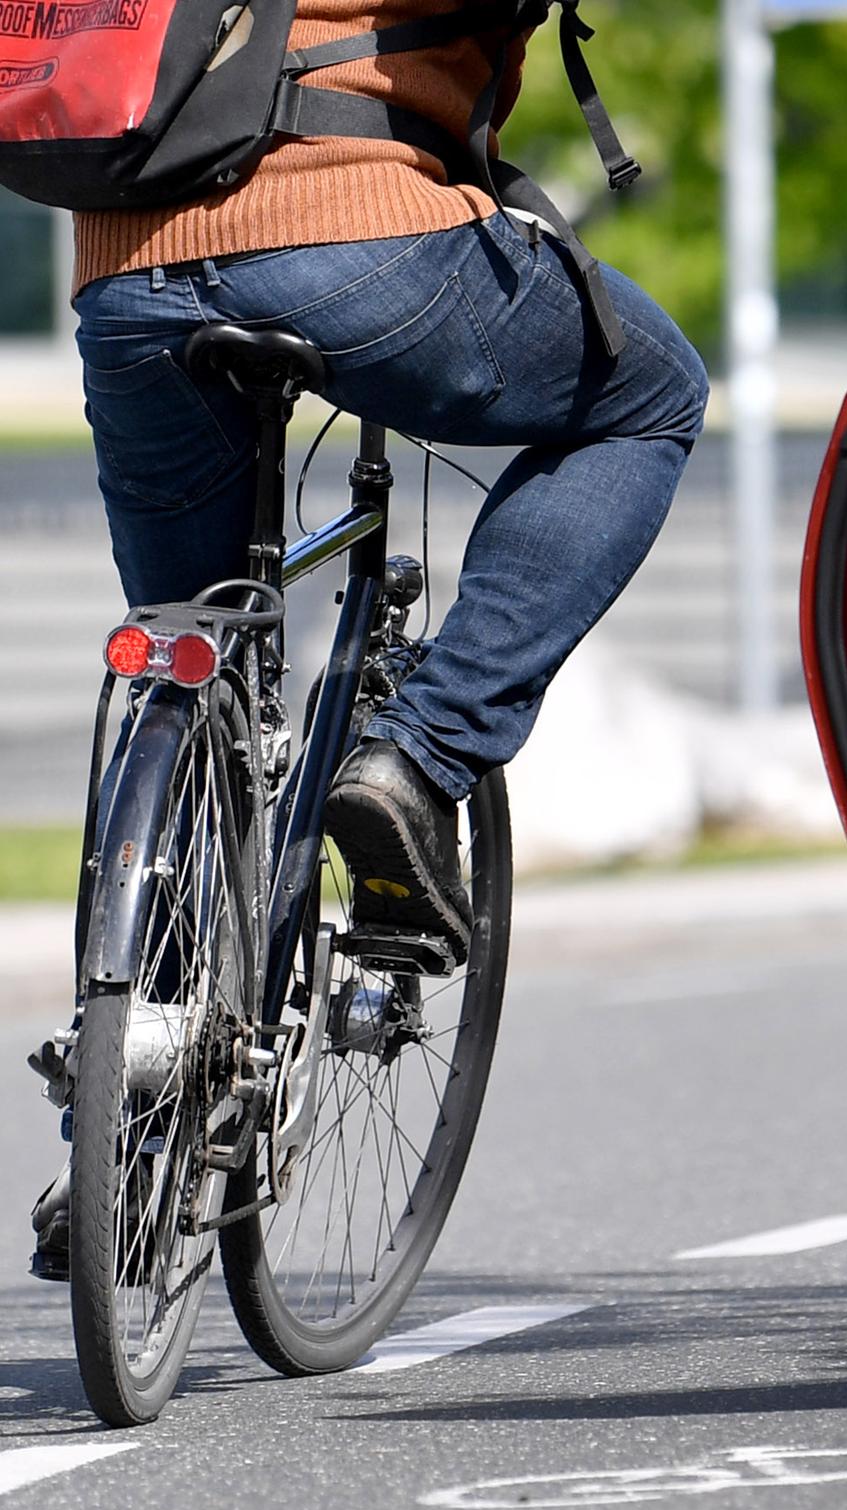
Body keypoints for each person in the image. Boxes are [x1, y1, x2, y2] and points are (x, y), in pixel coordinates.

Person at [29, 0, 709, 1275]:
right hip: (358, 245)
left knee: (192, 651)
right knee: (651, 396)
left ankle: (126, 1104)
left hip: (124, 275)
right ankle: (419, 755)